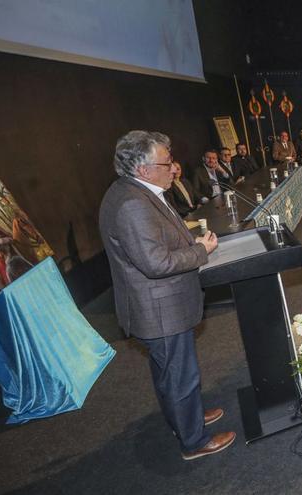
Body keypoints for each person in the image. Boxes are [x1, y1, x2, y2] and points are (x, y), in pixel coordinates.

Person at [98, 130, 234, 460]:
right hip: (160, 310)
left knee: (169, 372)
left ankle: (185, 419)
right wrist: (201, 251)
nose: (174, 167)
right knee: (180, 376)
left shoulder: (137, 191)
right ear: (143, 169)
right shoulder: (132, 204)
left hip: (158, 306)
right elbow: (156, 263)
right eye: (167, 161)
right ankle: (195, 441)